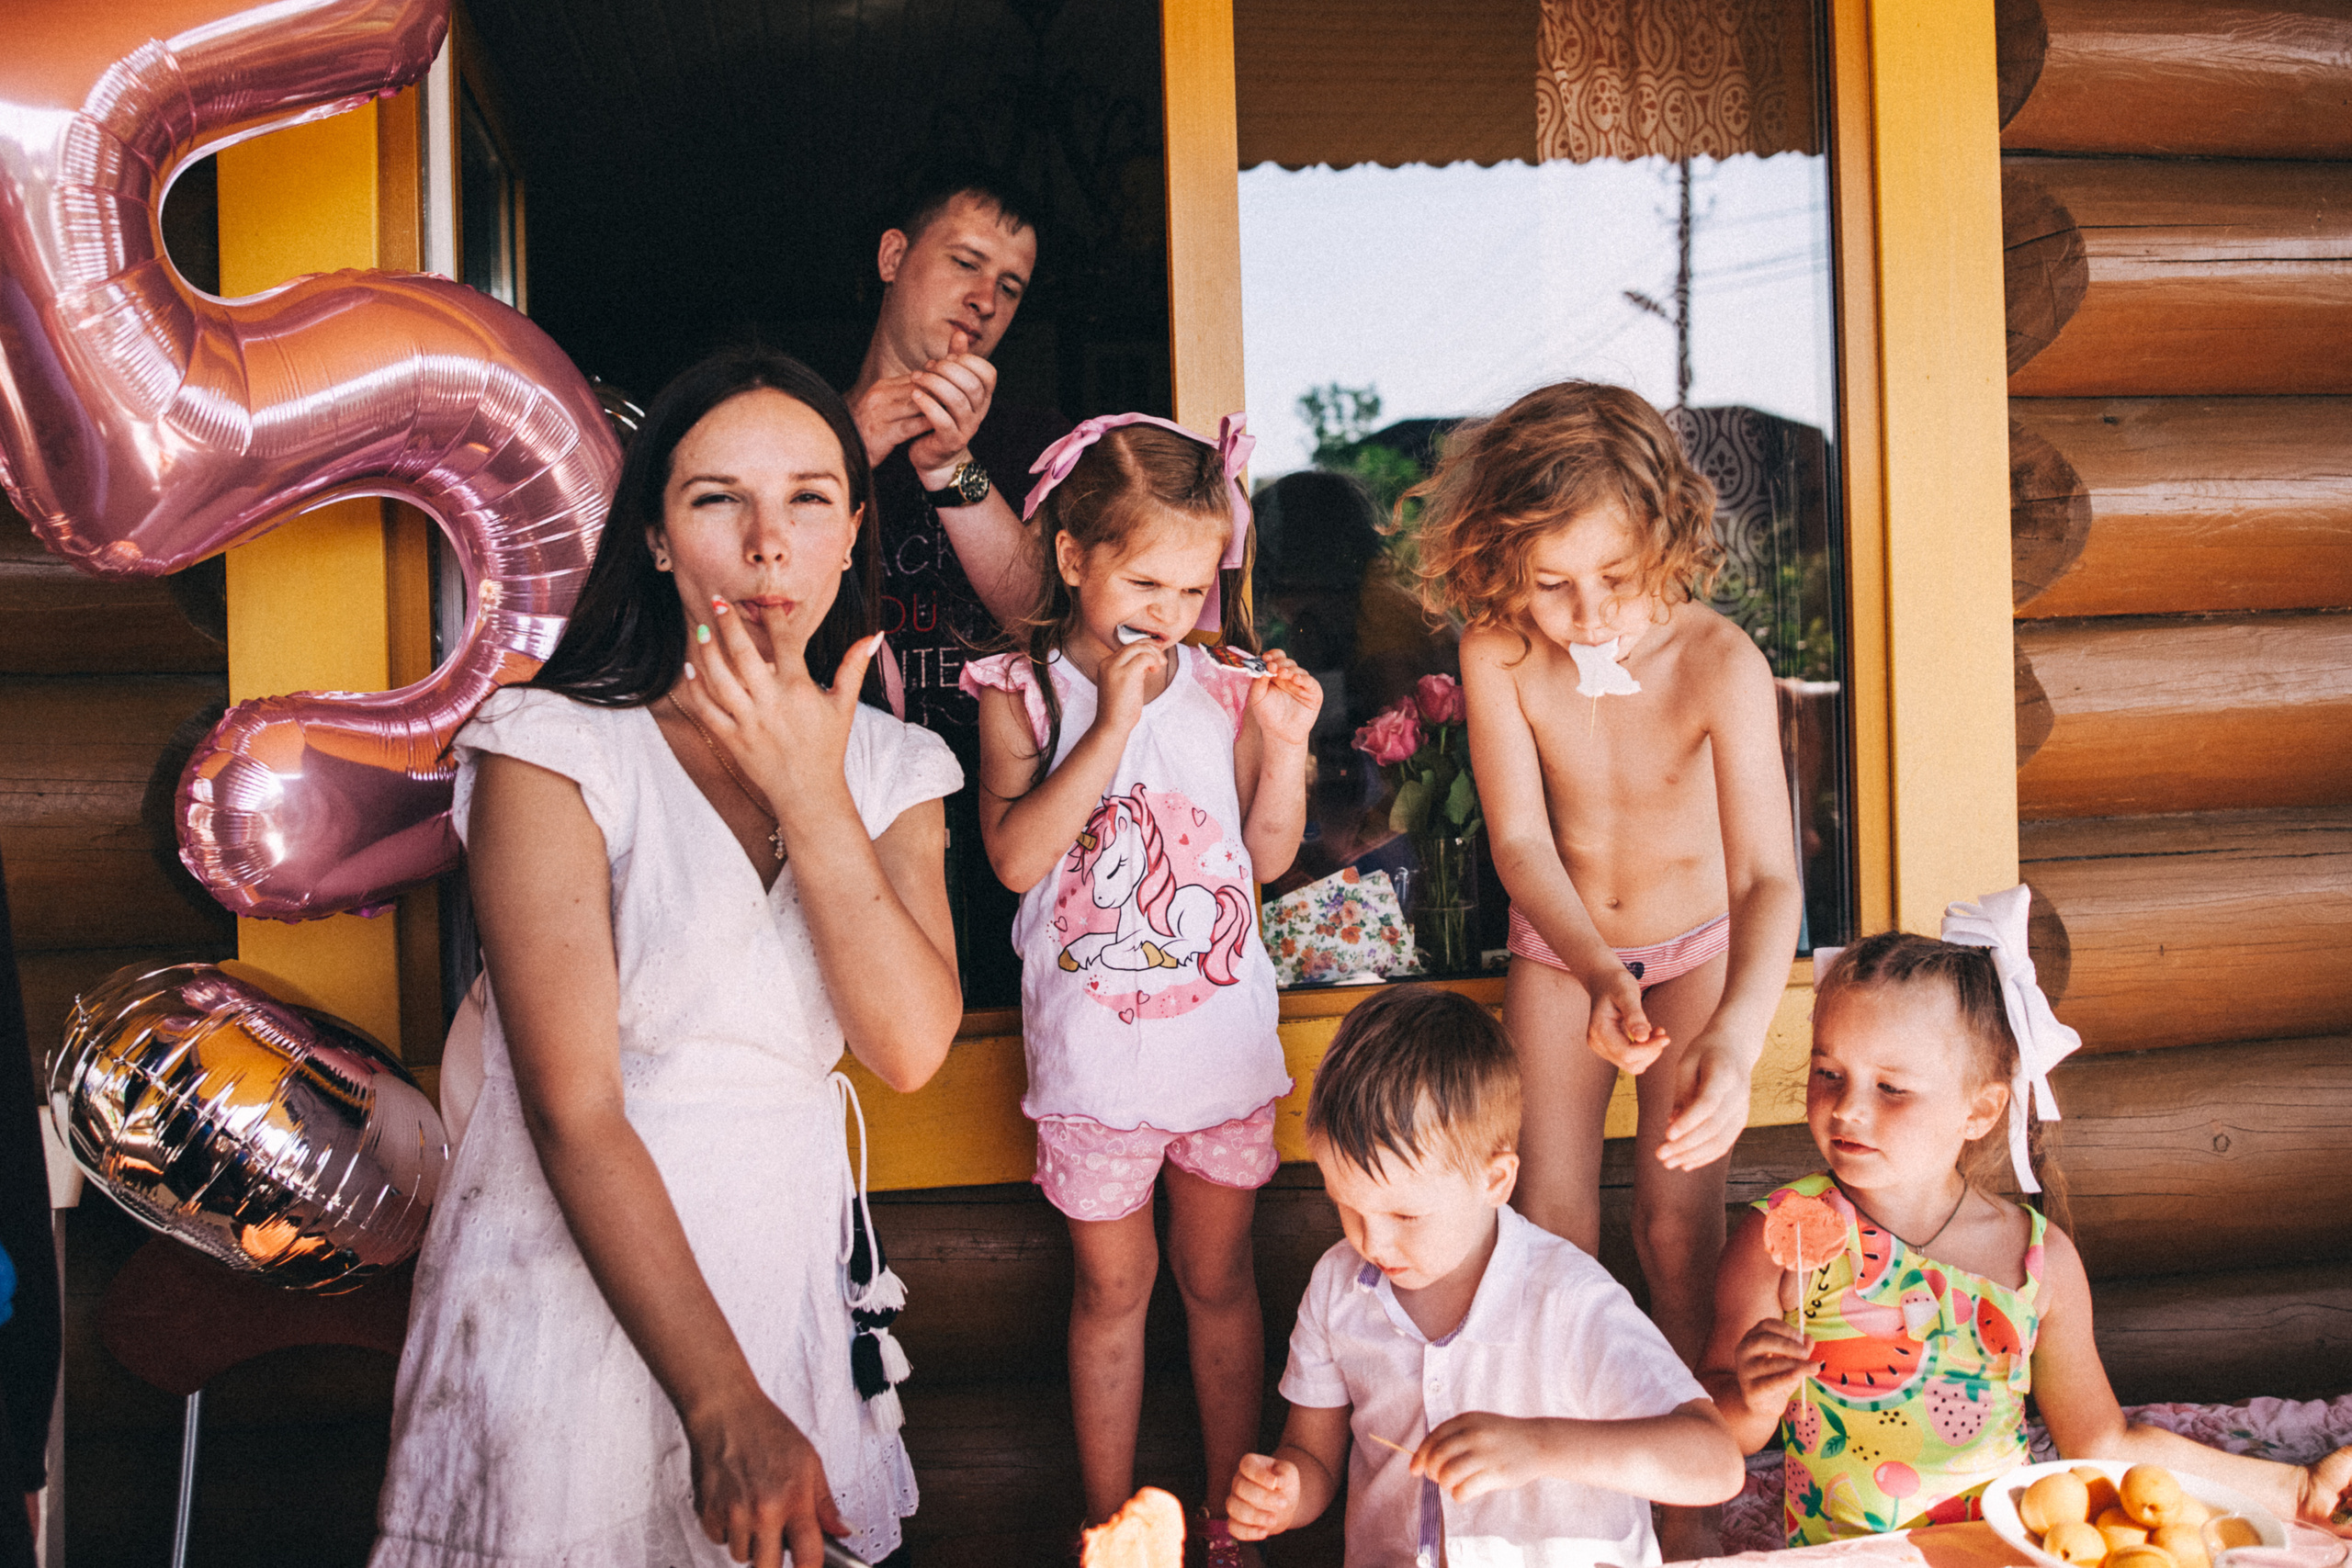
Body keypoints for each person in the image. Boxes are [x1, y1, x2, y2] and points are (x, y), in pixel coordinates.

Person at [371, 348, 964, 1568]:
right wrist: (719, 1399)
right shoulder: (550, 748)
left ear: (855, 531)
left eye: (808, 497)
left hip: (780, 1272)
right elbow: (576, 1108)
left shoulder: (897, 769)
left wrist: (813, 793)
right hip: (568, 1290)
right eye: (716, 498)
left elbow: (910, 1043)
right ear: (651, 535)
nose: (766, 542)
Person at [1700, 892, 2352, 1545]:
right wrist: (1755, 1400)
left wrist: (2296, 1488)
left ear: (1980, 1111)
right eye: (1828, 1071)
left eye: (1890, 1087)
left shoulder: (2039, 1261)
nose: (1847, 1109)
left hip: (2002, 1552)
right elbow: (1715, 1431)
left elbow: (2102, 1438)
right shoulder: (1779, 1238)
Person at [959, 412, 1320, 1562]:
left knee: (1219, 1286)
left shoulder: (1225, 689)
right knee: (1112, 1298)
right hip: (1096, 1070)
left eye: (1193, 586)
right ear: (1073, 559)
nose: (1170, 614)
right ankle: (1107, 1525)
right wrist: (1110, 718)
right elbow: (1016, 859)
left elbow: (1265, 859)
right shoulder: (1018, 690)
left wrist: (1292, 744)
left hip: (1216, 1060)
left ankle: (1230, 1521)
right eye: (1145, 581)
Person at [1418, 380, 1804, 1366]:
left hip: (1696, 950)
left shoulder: (1719, 661)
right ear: (1498, 560)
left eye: (1616, 579)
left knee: (1678, 1234)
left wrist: (1735, 1035)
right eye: (1551, 583)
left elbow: (1766, 876)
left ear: (1668, 543)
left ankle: (1690, 1495)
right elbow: (1521, 846)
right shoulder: (1497, 651)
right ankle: (1578, 1474)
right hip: (1562, 947)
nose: (1586, 615)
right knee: (1553, 1229)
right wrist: (1596, 974)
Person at [1224, 985, 1746, 1567]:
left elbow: (1715, 1461)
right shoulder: (1337, 1286)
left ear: (1495, 1182)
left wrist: (1539, 1446)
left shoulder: (1568, 1297)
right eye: (1346, 1206)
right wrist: (1287, 1492)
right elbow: (1311, 1453)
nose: (1372, 1241)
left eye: (1405, 1214)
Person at [844, 165, 1071, 1006]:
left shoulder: (1029, 439)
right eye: (966, 263)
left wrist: (952, 466)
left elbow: (1037, 615)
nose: (986, 298)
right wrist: (848, 453)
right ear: (894, 257)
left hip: (999, 819)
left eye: (1009, 285)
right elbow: (739, 595)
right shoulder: (798, 421)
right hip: (843, 808)